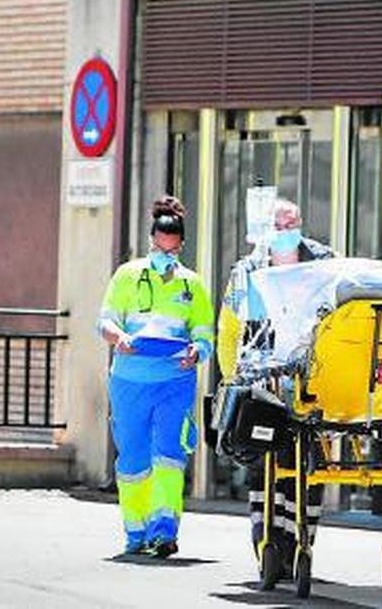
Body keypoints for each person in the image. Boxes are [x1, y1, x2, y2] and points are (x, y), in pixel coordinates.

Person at [217, 198, 333, 579]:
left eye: (292, 223)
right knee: (264, 463)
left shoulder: (324, 261)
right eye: (279, 225)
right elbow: (230, 330)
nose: (286, 231)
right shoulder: (248, 270)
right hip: (262, 380)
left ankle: (299, 542)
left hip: (310, 378)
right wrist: (232, 379)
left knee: (310, 467)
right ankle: (266, 537)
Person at [98, 195, 214, 557]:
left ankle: (164, 530)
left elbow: (204, 332)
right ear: (152, 242)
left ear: (181, 245)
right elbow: (105, 321)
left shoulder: (192, 285)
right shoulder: (128, 275)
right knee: (133, 459)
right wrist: (120, 338)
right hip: (129, 379)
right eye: (161, 246)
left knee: (169, 455)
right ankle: (135, 532)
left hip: (174, 381)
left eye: (173, 247)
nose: (167, 253)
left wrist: (198, 350)